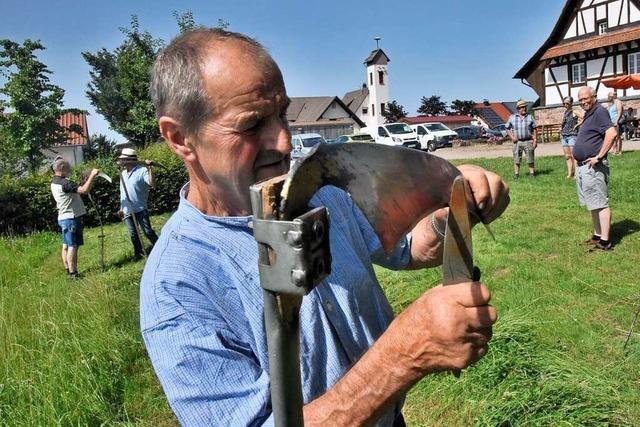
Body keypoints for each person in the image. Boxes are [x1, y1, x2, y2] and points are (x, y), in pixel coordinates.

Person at [140, 28, 510, 426]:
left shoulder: (318, 189)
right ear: (180, 138)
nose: (283, 142)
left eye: (282, 113)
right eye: (251, 126)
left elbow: (407, 249)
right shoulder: (177, 285)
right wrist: (403, 355)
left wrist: (452, 214)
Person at [574, 86, 617, 251]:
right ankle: (597, 235)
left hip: (594, 166)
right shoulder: (590, 114)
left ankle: (605, 241)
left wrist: (599, 156)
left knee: (600, 203)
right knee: (593, 203)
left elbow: (611, 133)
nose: (583, 102)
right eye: (581, 100)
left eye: (586, 98)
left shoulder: (599, 111)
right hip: (584, 167)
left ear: (594, 97)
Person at [50, 158, 100, 278]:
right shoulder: (65, 183)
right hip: (71, 218)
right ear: (62, 168)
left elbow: (74, 189)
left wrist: (86, 181)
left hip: (63, 217)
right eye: (68, 168)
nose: (70, 170)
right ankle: (73, 274)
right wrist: (92, 175)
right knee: (73, 245)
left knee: (66, 245)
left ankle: (68, 270)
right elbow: (84, 190)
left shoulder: (55, 181)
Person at [117, 148, 159, 260]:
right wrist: (121, 208)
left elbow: (152, 184)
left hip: (140, 208)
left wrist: (150, 169)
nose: (120, 161)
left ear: (129, 160)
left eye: (123, 159)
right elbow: (123, 192)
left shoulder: (142, 170)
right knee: (133, 234)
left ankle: (160, 247)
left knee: (148, 231)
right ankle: (138, 253)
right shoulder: (122, 174)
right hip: (127, 210)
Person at [506, 99, 537, 179]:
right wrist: (512, 137)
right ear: (518, 109)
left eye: (525, 107)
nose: (524, 109)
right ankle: (516, 175)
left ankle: (532, 174)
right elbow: (507, 128)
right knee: (517, 159)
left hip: (528, 141)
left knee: (530, 158)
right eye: (522, 107)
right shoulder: (512, 117)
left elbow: (535, 129)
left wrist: (535, 140)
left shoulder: (530, 117)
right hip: (517, 142)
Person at [559, 96, 583, 179]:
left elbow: (584, 117)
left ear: (571, 103)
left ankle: (576, 174)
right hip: (564, 136)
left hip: (572, 136)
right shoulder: (565, 112)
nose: (565, 105)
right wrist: (561, 129)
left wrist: (577, 125)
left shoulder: (574, 111)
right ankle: (570, 174)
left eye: (567, 103)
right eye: (564, 103)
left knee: (574, 156)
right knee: (567, 156)